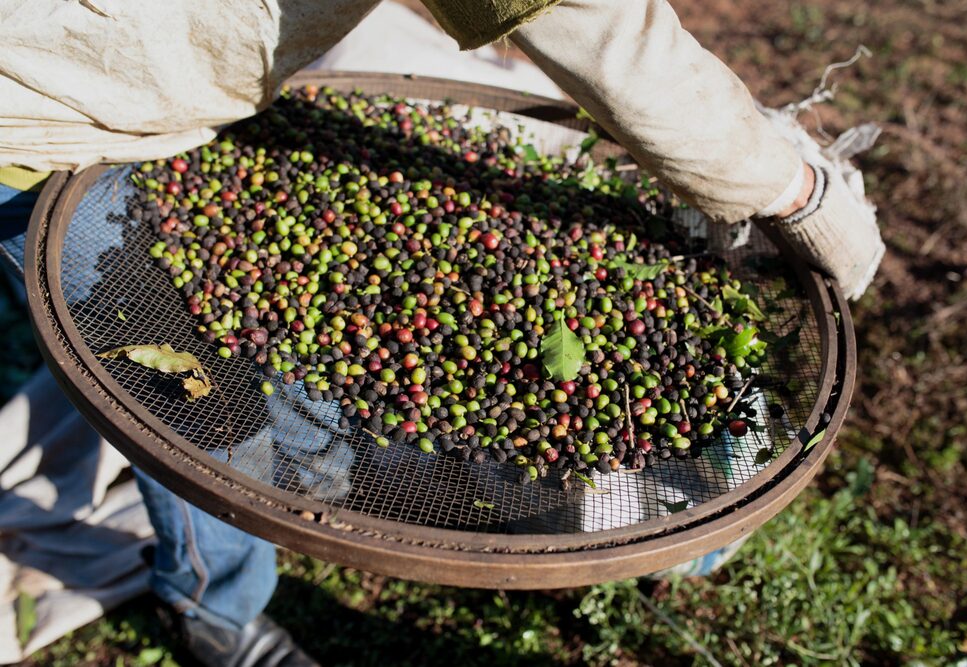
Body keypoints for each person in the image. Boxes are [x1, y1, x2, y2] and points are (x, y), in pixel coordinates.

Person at [0, 1, 884, 665]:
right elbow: (590, 22)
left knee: (256, 373)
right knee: (196, 409)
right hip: (43, 116)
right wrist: (788, 188)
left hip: (186, 85)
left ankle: (308, 462)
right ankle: (214, 615)